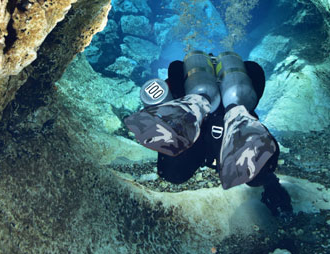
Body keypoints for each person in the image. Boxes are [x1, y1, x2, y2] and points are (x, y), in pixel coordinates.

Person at [125, 51, 293, 220]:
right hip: (225, 126)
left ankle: (267, 181)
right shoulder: (242, 90)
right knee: (258, 173)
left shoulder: (183, 85)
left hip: (199, 134)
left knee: (174, 173)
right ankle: (271, 186)